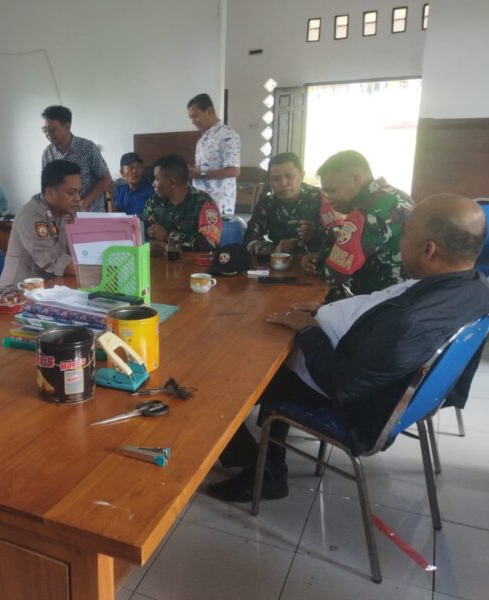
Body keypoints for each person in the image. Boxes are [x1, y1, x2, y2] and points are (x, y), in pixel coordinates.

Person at [209, 194, 489, 502]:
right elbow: (381, 306)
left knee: (234, 373)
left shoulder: (409, 324)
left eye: (406, 233)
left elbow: (343, 384)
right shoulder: (472, 285)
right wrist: (328, 310)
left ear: (429, 249)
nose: (400, 240)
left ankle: (265, 470)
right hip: (370, 369)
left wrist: (308, 330)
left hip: (355, 403)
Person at [301, 150, 413, 302]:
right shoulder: (397, 195)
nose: (329, 199)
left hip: (381, 303)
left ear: (356, 178)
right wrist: (320, 256)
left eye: (331, 191)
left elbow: (334, 273)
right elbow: (357, 249)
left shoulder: (367, 212)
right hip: (408, 295)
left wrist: (314, 264)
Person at [0, 161, 79, 293]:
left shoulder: (63, 213)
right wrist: (95, 270)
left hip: (49, 287)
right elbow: (53, 260)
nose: (77, 198)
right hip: (18, 292)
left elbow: (73, 254)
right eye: (71, 193)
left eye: (79, 192)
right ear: (50, 193)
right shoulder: (30, 216)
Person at [244, 152, 333, 255]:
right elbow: (249, 239)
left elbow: (340, 239)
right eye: (276, 179)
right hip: (280, 261)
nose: (283, 183)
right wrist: (274, 249)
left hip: (317, 261)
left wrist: (316, 235)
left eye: (289, 176)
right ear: (269, 181)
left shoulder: (321, 198)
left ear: (301, 176)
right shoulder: (267, 204)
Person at [141, 154, 222, 253]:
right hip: (160, 261)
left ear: (172, 183)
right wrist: (150, 244)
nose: (153, 183)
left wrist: (168, 237)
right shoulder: (154, 202)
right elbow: (140, 234)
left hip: (194, 262)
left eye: (157, 179)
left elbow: (209, 243)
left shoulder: (204, 203)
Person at [41, 105, 112, 213]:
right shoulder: (48, 154)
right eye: (45, 130)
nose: (48, 134)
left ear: (67, 127)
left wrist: (86, 202)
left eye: (53, 129)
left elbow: (106, 179)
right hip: (62, 215)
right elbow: (47, 186)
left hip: (90, 212)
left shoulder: (88, 148)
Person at [187, 93, 241, 215]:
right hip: (201, 201)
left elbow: (234, 171)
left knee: (218, 228)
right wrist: (192, 171)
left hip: (219, 203)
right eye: (191, 118)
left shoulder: (228, 135)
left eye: (196, 116)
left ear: (209, 111)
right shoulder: (203, 139)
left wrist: (201, 174)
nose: (193, 121)